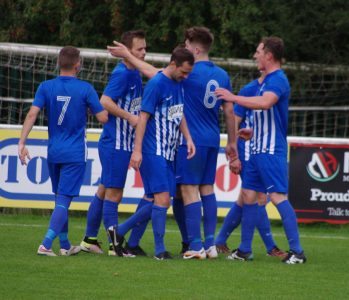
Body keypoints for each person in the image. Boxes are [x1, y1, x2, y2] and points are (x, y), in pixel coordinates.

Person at [107, 27, 236, 260]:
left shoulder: (186, 76)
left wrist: (128, 55)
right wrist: (232, 143)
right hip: (199, 140)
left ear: (194, 50)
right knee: (196, 191)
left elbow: (155, 77)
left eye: (186, 46)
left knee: (173, 194)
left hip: (181, 145)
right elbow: (228, 112)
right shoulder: (220, 75)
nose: (184, 49)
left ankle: (184, 242)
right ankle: (201, 245)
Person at [215, 36, 306, 264]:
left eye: (258, 52)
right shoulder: (263, 82)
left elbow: (266, 103)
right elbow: (263, 116)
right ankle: (245, 250)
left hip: (271, 151)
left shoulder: (279, 80)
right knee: (248, 196)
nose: (255, 55)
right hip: (255, 149)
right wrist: (249, 133)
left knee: (277, 197)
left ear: (269, 55)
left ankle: (297, 251)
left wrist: (232, 96)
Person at [18, 46, 108, 256]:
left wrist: (22, 143)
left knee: (59, 198)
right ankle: (46, 244)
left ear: (58, 64)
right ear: (78, 65)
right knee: (64, 200)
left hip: (54, 151)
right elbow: (103, 117)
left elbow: (32, 114)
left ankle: (65, 245)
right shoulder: (85, 89)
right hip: (75, 152)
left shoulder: (45, 86)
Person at [79, 30, 147, 257]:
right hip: (115, 143)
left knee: (103, 190)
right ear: (127, 51)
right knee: (114, 194)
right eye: (139, 49)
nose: (144, 52)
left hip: (121, 143)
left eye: (145, 48)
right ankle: (114, 245)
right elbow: (104, 101)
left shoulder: (135, 72)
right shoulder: (122, 74)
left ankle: (89, 240)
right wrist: (129, 117)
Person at [130, 46, 196, 260]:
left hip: (170, 152)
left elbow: (179, 113)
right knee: (162, 199)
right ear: (173, 64)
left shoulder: (179, 84)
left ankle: (122, 233)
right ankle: (160, 250)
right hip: (153, 149)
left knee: (155, 198)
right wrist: (137, 151)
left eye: (188, 73)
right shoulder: (157, 83)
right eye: (184, 71)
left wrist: (188, 138)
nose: (185, 76)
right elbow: (143, 118)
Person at [215, 73, 286, 258]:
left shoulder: (272, 90)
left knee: (245, 198)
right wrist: (234, 156)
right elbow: (235, 121)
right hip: (246, 150)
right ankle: (270, 247)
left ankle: (220, 240)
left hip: (257, 150)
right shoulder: (249, 89)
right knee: (258, 197)